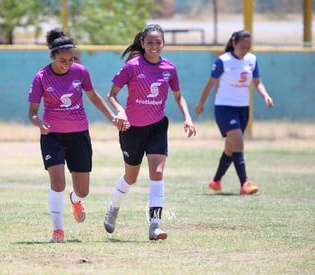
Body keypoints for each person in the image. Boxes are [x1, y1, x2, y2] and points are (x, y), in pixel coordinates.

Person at [103, 24, 196, 241]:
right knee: (131, 177)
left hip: (157, 127)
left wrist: (187, 117)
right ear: (143, 43)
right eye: (150, 42)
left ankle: (155, 226)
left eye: (158, 42)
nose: (154, 46)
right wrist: (121, 112)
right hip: (131, 129)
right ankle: (113, 208)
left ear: (163, 44)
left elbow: (178, 96)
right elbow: (111, 95)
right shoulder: (132, 67)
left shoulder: (170, 68)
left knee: (157, 173)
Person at [28, 28, 117, 243]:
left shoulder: (81, 72)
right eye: (61, 60)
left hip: (79, 135)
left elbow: (94, 97)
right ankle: (58, 231)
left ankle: (75, 200)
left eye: (70, 59)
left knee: (83, 190)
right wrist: (39, 123)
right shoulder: (41, 77)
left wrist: (112, 117)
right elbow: (32, 112)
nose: (66, 63)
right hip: (53, 136)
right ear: (52, 56)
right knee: (57, 184)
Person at [194, 30, 274, 195]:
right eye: (242, 46)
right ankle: (245, 184)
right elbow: (210, 84)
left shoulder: (252, 60)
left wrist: (265, 95)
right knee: (238, 144)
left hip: (243, 108)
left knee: (231, 148)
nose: (245, 50)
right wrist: (201, 103)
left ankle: (215, 181)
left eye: (248, 47)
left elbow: (257, 82)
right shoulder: (223, 61)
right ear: (233, 44)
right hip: (224, 108)